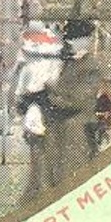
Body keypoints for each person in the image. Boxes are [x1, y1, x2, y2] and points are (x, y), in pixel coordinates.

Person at [35, 18, 102, 202]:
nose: (69, 43)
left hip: (77, 132)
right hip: (57, 132)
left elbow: (78, 99)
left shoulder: (90, 67)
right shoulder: (66, 64)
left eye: (73, 39)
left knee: (73, 181)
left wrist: (48, 96)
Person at [12, 22, 64, 204]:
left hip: (36, 109)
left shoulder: (28, 64)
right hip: (51, 110)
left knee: (37, 152)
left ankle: (38, 189)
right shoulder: (57, 61)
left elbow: (19, 92)